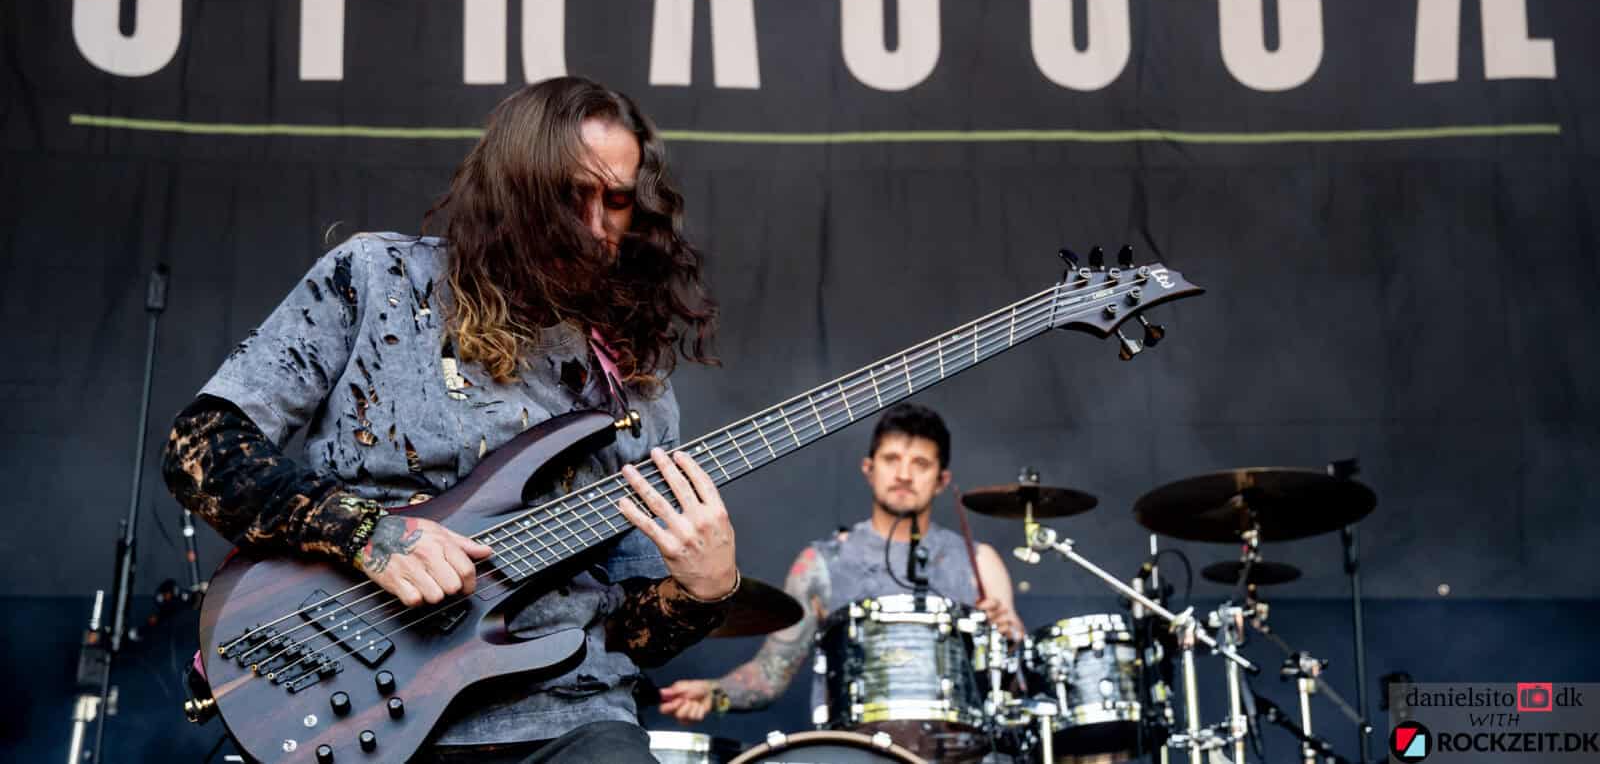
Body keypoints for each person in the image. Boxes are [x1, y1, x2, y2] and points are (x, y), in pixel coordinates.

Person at [162, 77, 737, 763]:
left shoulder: (635, 380)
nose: (594, 226)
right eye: (571, 194)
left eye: (616, 200)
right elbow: (202, 448)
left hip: (570, 718)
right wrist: (369, 535)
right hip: (361, 706)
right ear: (514, 188)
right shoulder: (378, 278)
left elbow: (630, 633)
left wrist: (705, 590)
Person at [656, 402, 1024, 724]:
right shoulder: (821, 563)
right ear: (868, 468)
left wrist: (1012, 645)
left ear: (942, 480)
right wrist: (715, 692)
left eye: (921, 463)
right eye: (892, 459)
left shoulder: (980, 562)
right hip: (855, 750)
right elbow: (771, 672)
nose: (904, 474)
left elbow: (1016, 691)